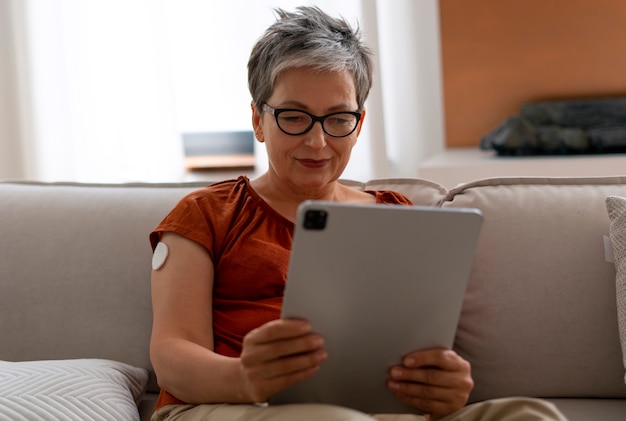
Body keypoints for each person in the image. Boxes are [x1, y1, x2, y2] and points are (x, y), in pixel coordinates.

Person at [149, 6, 568, 421]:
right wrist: (245, 378)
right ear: (259, 120)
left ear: (359, 122)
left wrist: (443, 387)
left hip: (378, 411)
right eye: (294, 117)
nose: (317, 142)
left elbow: (419, 345)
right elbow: (172, 354)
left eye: (338, 119)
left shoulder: (395, 217)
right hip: (229, 405)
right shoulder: (206, 213)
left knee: (532, 415)